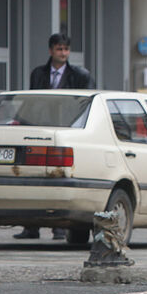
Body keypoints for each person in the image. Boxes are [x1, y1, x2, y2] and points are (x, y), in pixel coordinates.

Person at [17, 32, 95, 240]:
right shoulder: (39, 74)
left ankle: (59, 227)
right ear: (51, 51)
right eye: (59, 49)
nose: (63, 53)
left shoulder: (80, 75)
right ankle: (30, 227)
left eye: (66, 49)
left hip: (66, 131)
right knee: (32, 176)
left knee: (59, 176)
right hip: (39, 129)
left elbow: (84, 103)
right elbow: (32, 101)